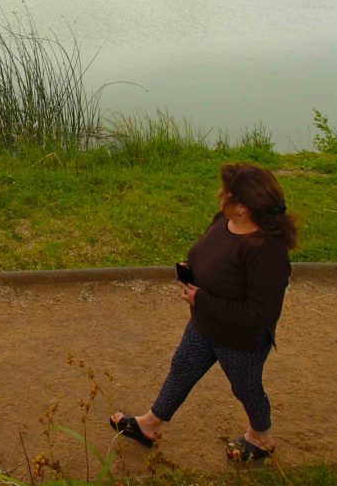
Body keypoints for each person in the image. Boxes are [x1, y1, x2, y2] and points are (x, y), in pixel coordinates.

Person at [109, 162, 296, 461]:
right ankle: (148, 425)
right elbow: (212, 256)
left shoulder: (267, 252)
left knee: (246, 388)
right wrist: (193, 276)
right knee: (182, 366)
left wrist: (203, 300)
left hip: (239, 338)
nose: (220, 195)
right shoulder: (224, 221)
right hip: (205, 323)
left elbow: (260, 314)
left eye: (228, 193)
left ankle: (261, 437)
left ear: (245, 208)